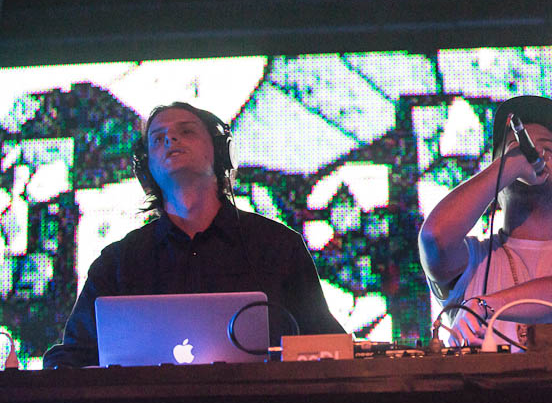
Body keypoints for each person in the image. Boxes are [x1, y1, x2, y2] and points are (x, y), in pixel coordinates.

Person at [44, 102, 343, 368]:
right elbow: (71, 357)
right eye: (157, 138)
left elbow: (329, 346)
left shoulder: (277, 246)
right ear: (146, 168)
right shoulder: (118, 262)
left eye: (186, 131)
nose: (170, 140)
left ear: (221, 153)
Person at [418, 95, 552, 363]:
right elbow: (435, 238)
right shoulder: (473, 259)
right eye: (515, 149)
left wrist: (484, 306)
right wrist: (511, 164)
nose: (531, 154)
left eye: (546, 149)